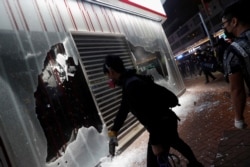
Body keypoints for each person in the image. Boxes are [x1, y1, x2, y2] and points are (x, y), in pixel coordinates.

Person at [103, 55, 203, 167]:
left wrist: (155, 142)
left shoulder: (132, 86)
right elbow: (123, 109)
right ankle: (195, 164)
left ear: (111, 71)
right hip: (167, 121)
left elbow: (150, 114)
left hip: (161, 125)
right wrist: (114, 131)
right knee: (176, 143)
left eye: (107, 75)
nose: (109, 79)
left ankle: (195, 164)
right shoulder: (131, 82)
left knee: (154, 163)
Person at [222, 0, 250, 129]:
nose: (224, 28)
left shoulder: (234, 50)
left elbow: (237, 90)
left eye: (224, 24)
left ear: (234, 21)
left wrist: (238, 119)